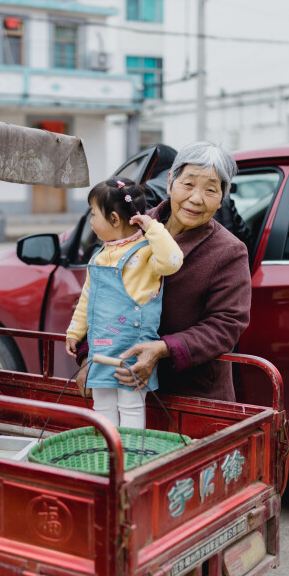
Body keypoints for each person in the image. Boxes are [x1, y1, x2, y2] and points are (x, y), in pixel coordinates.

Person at [78, 141, 251, 576]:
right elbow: (99, 288)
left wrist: (163, 349)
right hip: (123, 378)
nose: (196, 197)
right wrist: (88, 345)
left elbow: (227, 325)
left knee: (193, 497)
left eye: (211, 188)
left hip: (190, 390)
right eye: (188, 182)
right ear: (170, 183)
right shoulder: (128, 221)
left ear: (223, 198)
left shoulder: (227, 251)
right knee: (133, 489)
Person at [65, 177, 183, 428]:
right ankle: (109, 457)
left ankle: (128, 460)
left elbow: (173, 261)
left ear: (115, 220)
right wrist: (75, 332)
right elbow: (88, 298)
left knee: (131, 408)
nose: (91, 222)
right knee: (102, 406)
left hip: (134, 352)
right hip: (102, 349)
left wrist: (153, 228)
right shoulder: (100, 255)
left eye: (93, 214)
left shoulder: (146, 251)